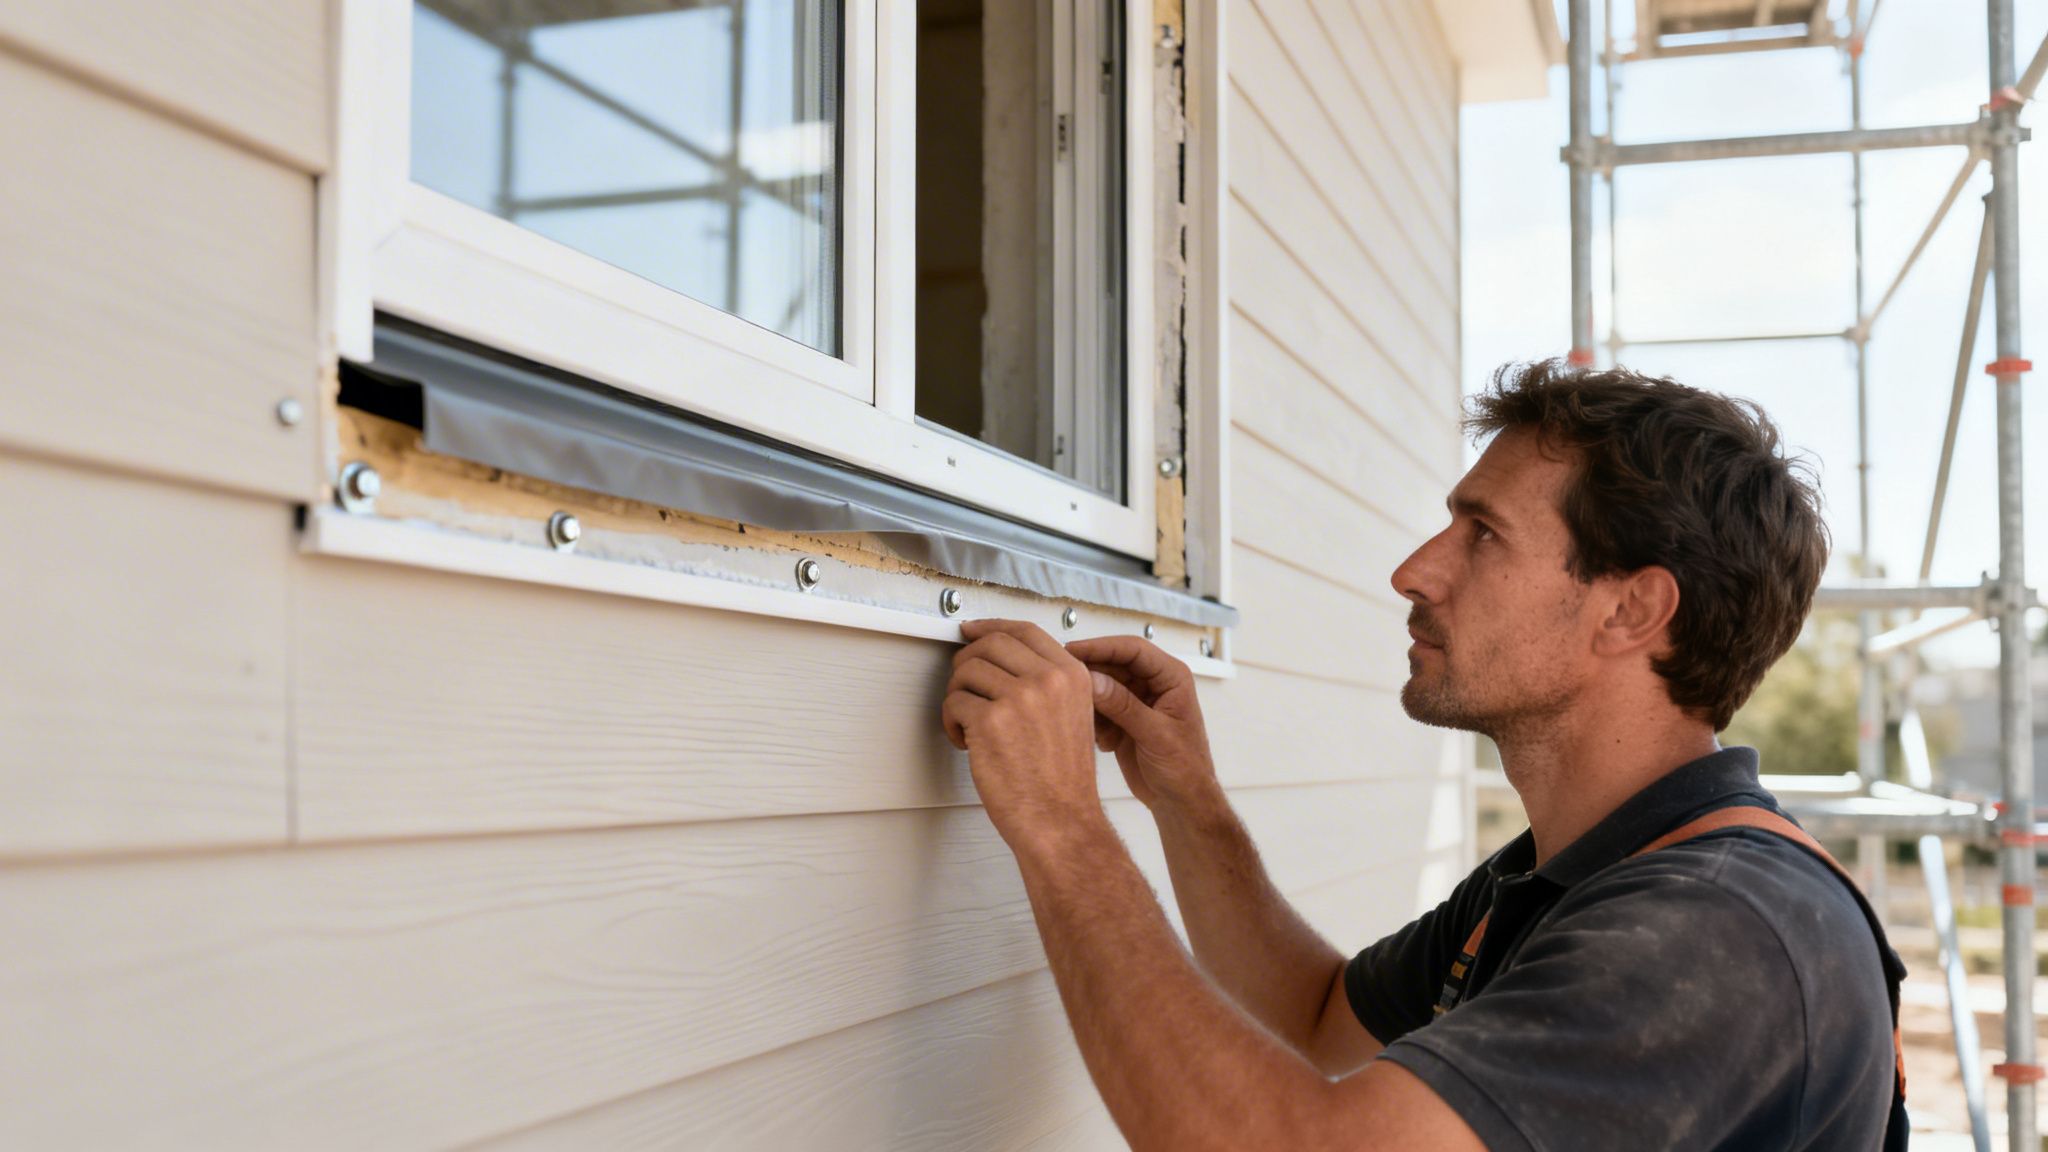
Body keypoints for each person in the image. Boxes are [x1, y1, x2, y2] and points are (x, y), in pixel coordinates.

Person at [940, 359, 1904, 1150]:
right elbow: (1317, 1018)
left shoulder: (1716, 923)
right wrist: (1186, 803)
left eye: (1483, 534)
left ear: (1631, 609)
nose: (1414, 570)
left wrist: (1064, 829)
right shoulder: (1561, 879)